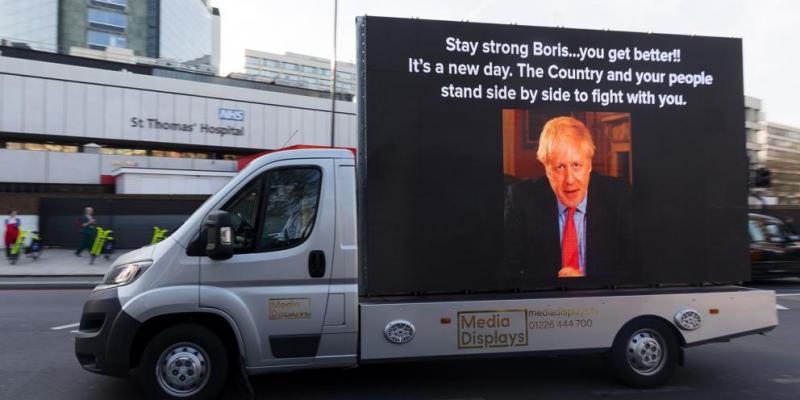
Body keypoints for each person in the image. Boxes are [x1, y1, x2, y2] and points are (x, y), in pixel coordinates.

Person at [504, 116, 632, 283]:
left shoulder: (619, 196)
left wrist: (587, 286)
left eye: (576, 165)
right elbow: (508, 274)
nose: (569, 179)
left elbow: (634, 272)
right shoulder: (520, 199)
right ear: (547, 169)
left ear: (590, 165)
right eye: (560, 167)